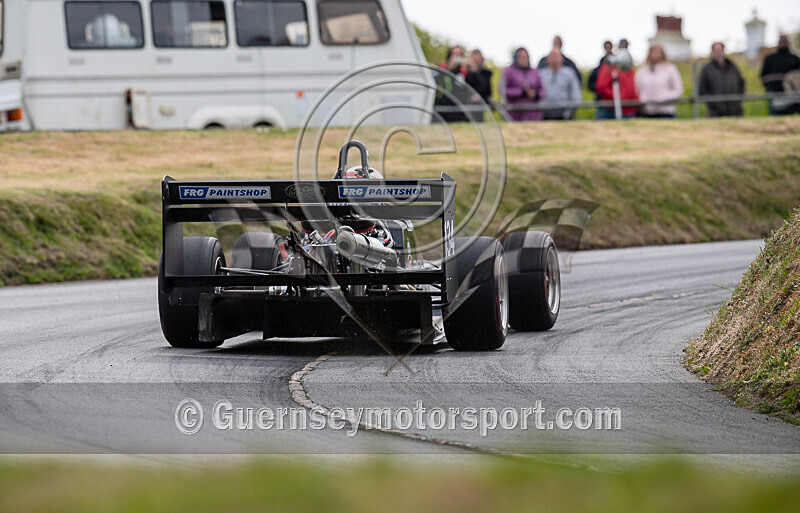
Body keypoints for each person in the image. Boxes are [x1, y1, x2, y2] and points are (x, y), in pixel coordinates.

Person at [635, 44, 683, 118]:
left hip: (665, 112)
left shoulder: (670, 69)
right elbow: (636, 89)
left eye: (657, 52)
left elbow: (678, 89)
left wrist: (663, 98)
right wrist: (643, 100)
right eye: (653, 52)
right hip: (646, 112)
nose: (655, 55)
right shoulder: (642, 71)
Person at [698, 42, 745, 117]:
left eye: (720, 50)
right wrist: (714, 104)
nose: (719, 53)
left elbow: (741, 83)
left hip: (735, 111)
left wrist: (738, 100)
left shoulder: (732, 66)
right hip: (715, 113)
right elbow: (702, 89)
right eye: (716, 51)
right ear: (712, 52)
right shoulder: (707, 69)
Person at [595, 39, 639, 119]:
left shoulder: (629, 68)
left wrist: (634, 103)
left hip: (628, 110)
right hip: (610, 110)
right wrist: (617, 98)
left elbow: (633, 87)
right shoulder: (610, 65)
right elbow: (601, 86)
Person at [502, 47, 545, 122]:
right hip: (515, 115)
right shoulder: (508, 71)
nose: (524, 59)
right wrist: (522, 92)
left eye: (526, 57)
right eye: (521, 57)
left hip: (533, 116)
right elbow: (503, 90)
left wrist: (535, 94)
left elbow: (542, 90)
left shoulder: (535, 72)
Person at [760, 34, 800, 115]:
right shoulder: (770, 58)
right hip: (775, 94)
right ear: (778, 42)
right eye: (782, 41)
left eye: (785, 41)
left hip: (793, 96)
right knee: (776, 119)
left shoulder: (795, 58)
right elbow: (763, 76)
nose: (784, 43)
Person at [538, 49, 582, 120]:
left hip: (564, 115)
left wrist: (569, 112)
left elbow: (575, 95)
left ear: (562, 58)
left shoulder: (569, 73)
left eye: (556, 56)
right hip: (544, 116)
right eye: (552, 56)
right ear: (547, 59)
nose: (554, 59)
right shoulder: (541, 74)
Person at [433, 45, 469, 123]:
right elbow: (434, 81)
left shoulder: (463, 71)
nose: (457, 58)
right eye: (455, 54)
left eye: (459, 55)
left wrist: (468, 68)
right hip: (441, 109)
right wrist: (449, 69)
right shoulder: (440, 68)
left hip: (458, 111)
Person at [588, 40, 614, 118]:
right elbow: (590, 84)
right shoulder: (598, 70)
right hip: (602, 103)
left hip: (614, 103)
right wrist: (599, 89)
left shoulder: (617, 68)